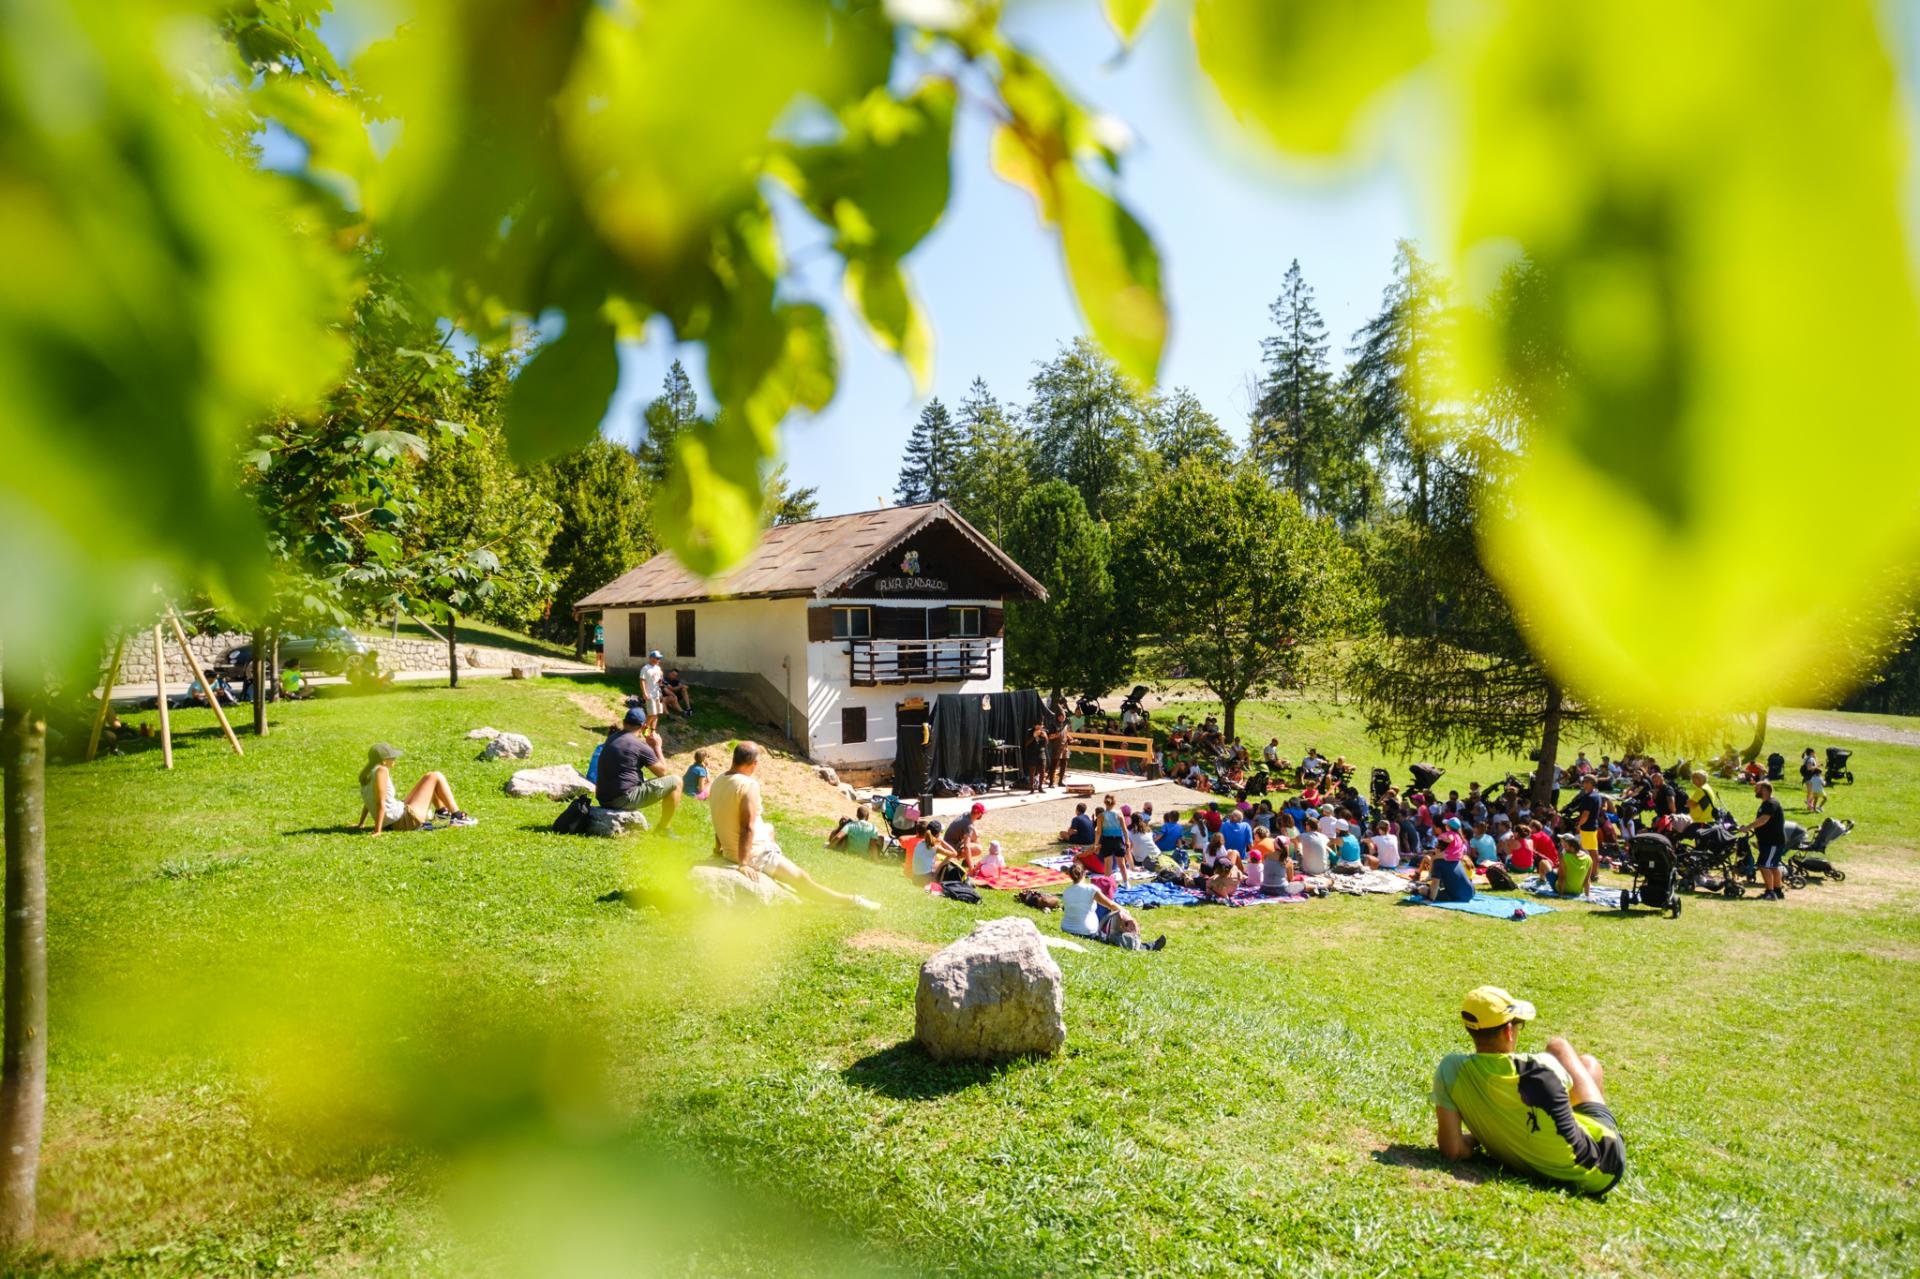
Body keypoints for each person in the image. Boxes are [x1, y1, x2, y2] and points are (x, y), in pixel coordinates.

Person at [1432, 986, 1625, 1196]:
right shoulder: (1541, 1067)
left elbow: (1452, 1150)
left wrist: (1479, 1136)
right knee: (1568, 1052)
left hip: (1540, 1162)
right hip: (1603, 1163)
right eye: (1519, 1025)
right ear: (1508, 1031)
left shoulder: (1450, 1070)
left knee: (1585, 1065)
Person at [711, 741, 878, 909]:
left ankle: (778, 872)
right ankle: (852, 901)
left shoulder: (718, 780)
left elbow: (721, 815)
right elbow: (747, 826)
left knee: (769, 828)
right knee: (802, 879)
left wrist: (718, 849)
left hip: (731, 848)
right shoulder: (748, 785)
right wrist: (744, 864)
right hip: (756, 854)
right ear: (754, 763)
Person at [355, 742, 473, 834]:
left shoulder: (367, 773)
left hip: (396, 817)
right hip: (404, 820)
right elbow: (379, 802)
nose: (394, 759)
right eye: (392, 757)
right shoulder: (382, 770)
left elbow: (369, 802)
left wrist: (361, 824)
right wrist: (377, 830)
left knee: (427, 778)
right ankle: (457, 817)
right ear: (384, 761)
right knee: (435, 776)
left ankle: (441, 812)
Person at [595, 708, 680, 832]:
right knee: (676, 781)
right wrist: (657, 747)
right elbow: (662, 772)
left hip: (603, 798)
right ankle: (664, 828)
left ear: (624, 722)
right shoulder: (639, 746)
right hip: (621, 799)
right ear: (644, 726)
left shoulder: (612, 738)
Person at [1059, 862, 1163, 950]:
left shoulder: (1066, 892)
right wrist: (1126, 912)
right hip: (1086, 932)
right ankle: (1147, 946)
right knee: (1115, 937)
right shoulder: (1090, 889)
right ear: (1084, 873)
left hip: (1066, 928)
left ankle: (1145, 945)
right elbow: (1111, 904)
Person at [1743, 780, 1788, 900]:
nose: (1755, 791)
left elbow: (1763, 820)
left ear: (1764, 789)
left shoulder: (1770, 803)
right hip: (1769, 841)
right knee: (1773, 866)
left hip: (1773, 842)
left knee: (1764, 866)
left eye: (1756, 788)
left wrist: (1748, 827)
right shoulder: (1767, 803)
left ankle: (1770, 892)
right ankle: (1778, 891)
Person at [1411, 819, 1475, 902]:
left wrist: (1430, 899)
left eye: (1437, 845)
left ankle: (1424, 885)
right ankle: (1429, 878)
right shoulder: (1457, 859)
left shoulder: (1439, 863)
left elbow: (1435, 884)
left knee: (1423, 889)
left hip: (1456, 896)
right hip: (1470, 892)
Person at [1096, 794, 1130, 886]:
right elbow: (1124, 829)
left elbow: (1099, 832)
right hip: (1118, 840)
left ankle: (1108, 884)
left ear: (1104, 802)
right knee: (1121, 863)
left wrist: (1096, 844)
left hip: (1107, 840)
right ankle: (1126, 883)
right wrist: (1127, 841)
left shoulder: (1100, 816)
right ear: (1115, 802)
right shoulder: (1119, 814)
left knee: (1108, 864)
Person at [1556, 833, 1594, 897]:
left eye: (1563, 843)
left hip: (1565, 889)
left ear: (1569, 846)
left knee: (1551, 873)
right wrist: (1587, 896)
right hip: (1578, 891)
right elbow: (1587, 879)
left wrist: (1561, 895)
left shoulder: (1565, 857)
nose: (1562, 844)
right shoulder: (1589, 858)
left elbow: (1562, 877)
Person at [639, 650, 667, 733]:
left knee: (657, 713)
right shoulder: (645, 668)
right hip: (650, 694)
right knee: (652, 713)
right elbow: (642, 680)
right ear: (651, 658)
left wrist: (661, 681)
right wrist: (644, 693)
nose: (659, 660)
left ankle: (653, 731)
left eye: (659, 658)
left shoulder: (658, 668)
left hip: (658, 694)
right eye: (657, 658)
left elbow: (659, 681)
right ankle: (644, 727)